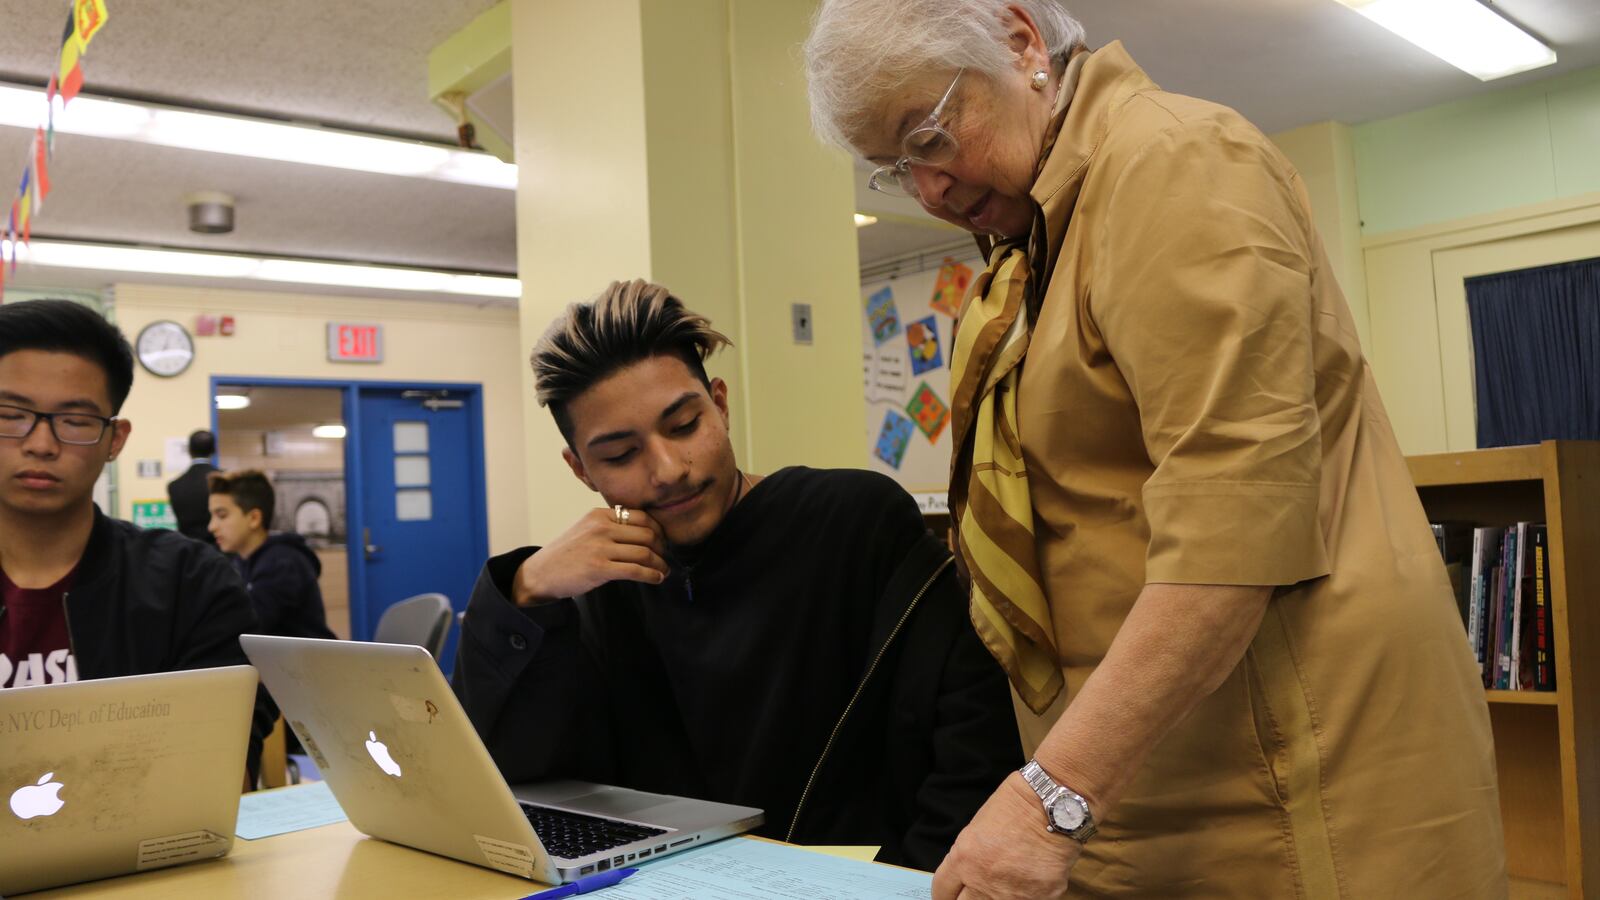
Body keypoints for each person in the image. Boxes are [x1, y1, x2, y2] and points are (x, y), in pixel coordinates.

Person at [804, 3, 1505, 897]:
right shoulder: (1036, 244)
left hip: (1285, 772)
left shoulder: (1172, 163)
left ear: (1022, 44)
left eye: (932, 135)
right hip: (1151, 773)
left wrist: (1049, 798)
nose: (930, 191)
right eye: (896, 171)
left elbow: (1230, 537)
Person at [452, 280, 1021, 870]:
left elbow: (972, 743)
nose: (669, 470)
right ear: (581, 470)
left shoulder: (853, 523)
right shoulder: (601, 586)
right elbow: (517, 786)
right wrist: (528, 592)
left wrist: (914, 887)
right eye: (621, 456)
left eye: (683, 426)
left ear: (719, 404)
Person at [0, 299, 276, 784]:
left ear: (115, 439)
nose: (40, 444)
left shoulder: (192, 586)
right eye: (9, 414)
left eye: (75, 421)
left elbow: (218, 768)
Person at [208, 469, 337, 642]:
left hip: (307, 666)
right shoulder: (240, 561)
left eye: (221, 515)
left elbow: (247, 625)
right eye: (212, 516)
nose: (212, 526)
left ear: (254, 518)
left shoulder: (282, 562)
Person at [167, 429, 218, 544]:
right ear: (214, 450)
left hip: (188, 552)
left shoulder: (174, 486)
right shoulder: (225, 481)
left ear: (189, 450)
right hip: (220, 551)